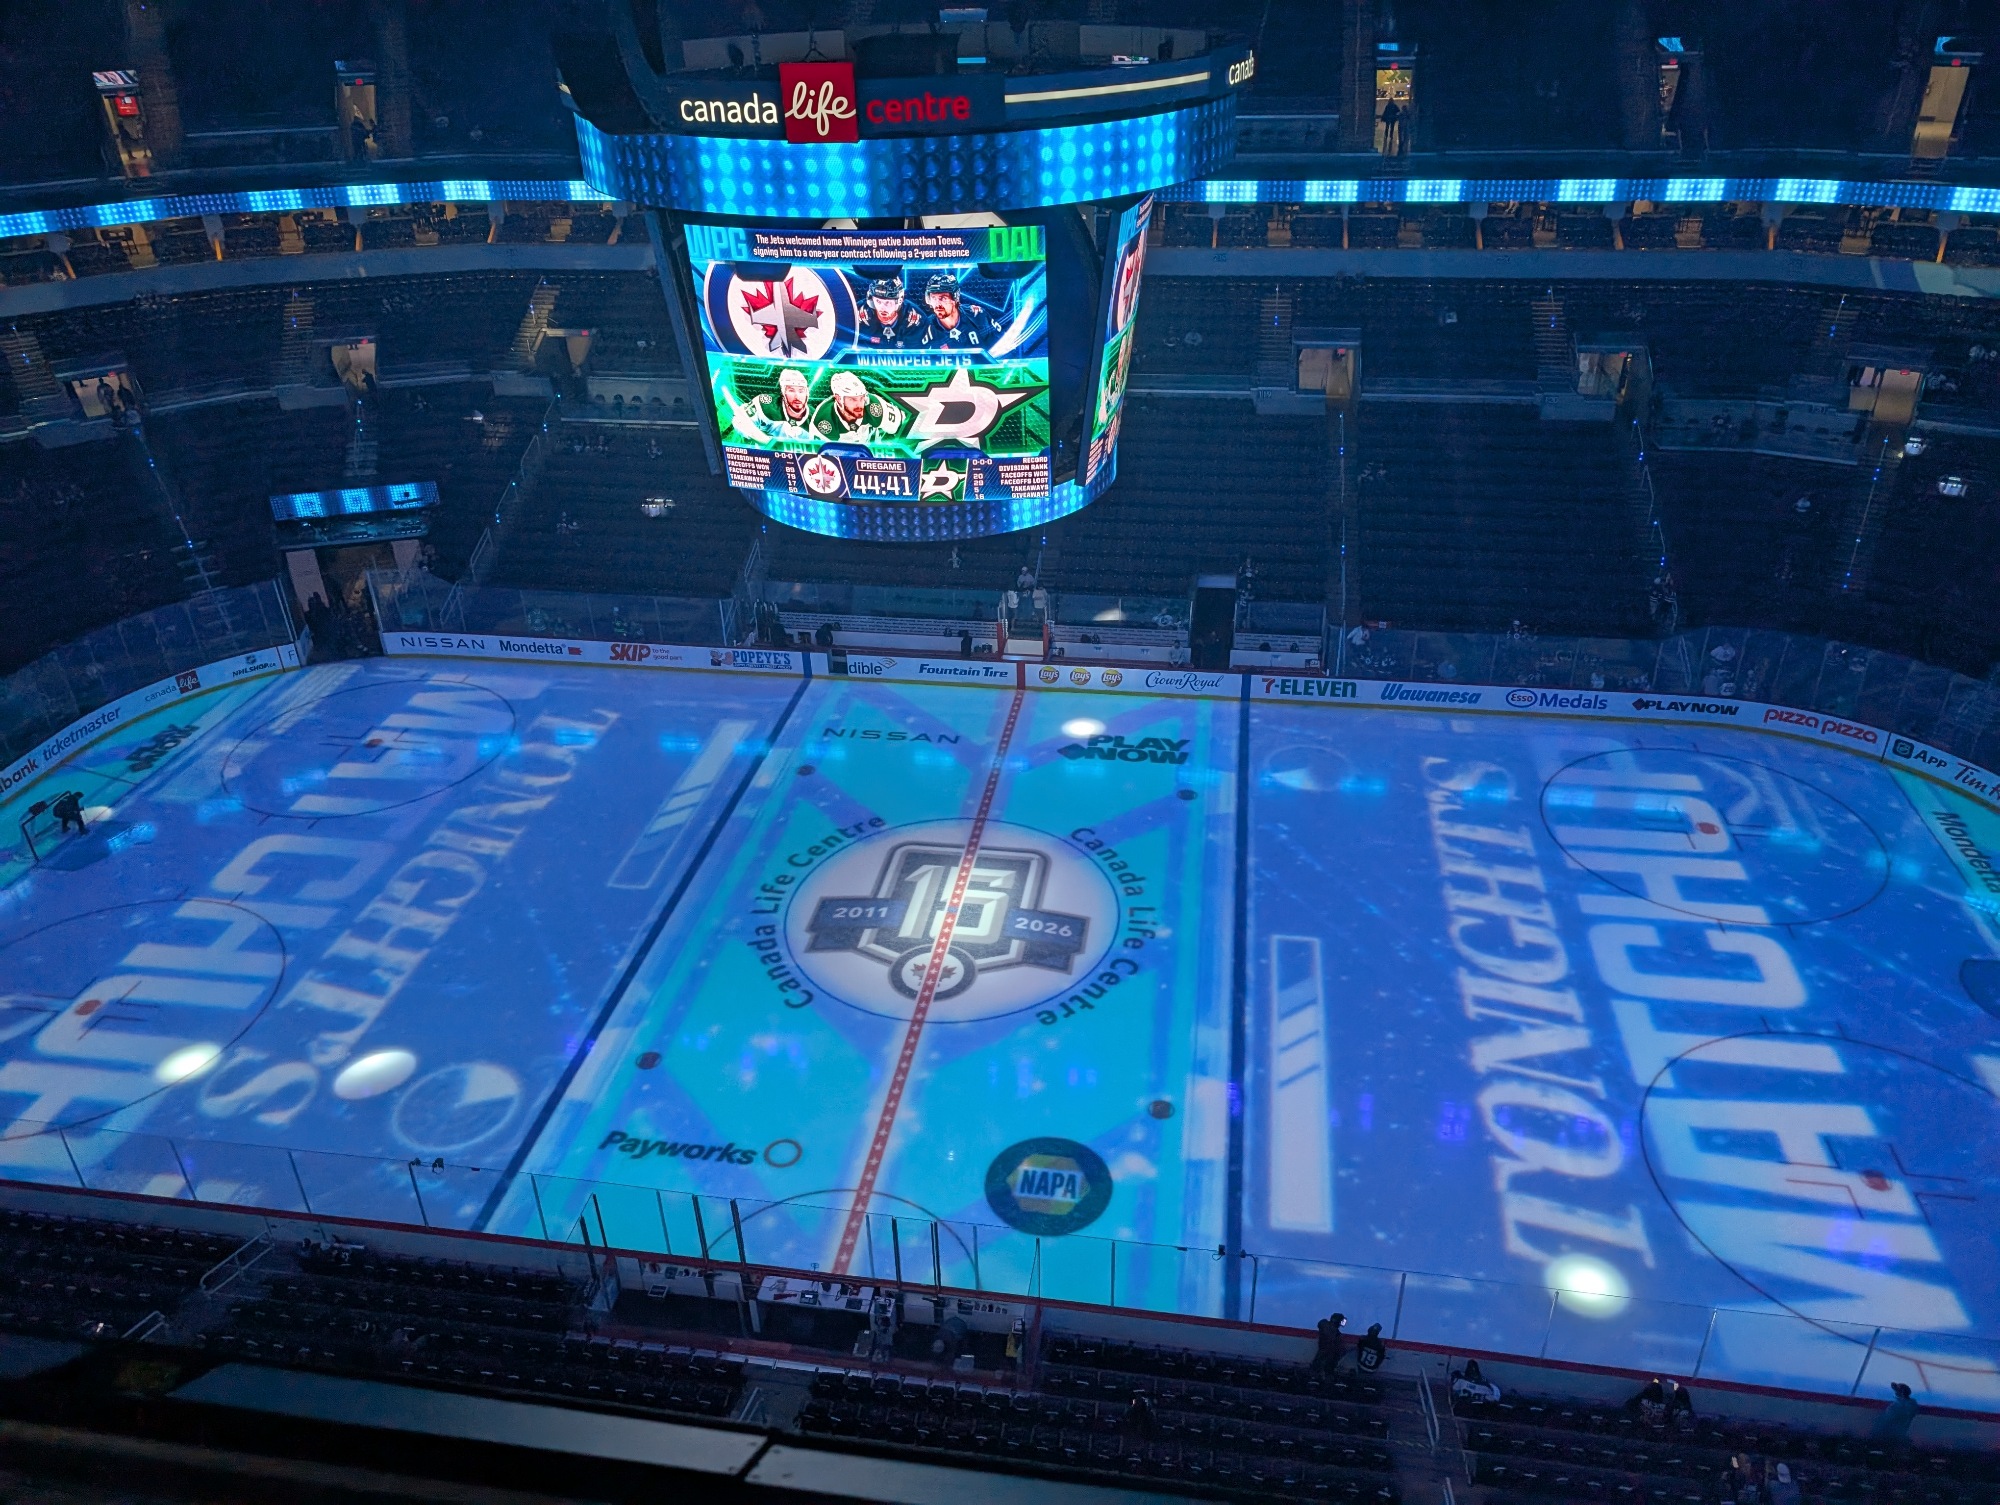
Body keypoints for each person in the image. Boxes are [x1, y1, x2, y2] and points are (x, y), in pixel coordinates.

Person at [920, 273, 1007, 353]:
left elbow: (1002, 347)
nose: (937, 304)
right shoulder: (925, 329)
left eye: (943, 298)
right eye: (934, 298)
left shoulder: (977, 316)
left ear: (955, 297)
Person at [812, 370, 904, 444]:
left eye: (861, 398)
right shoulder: (823, 420)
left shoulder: (874, 406)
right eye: (853, 399)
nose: (860, 404)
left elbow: (905, 427)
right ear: (839, 399)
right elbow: (822, 456)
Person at [856, 277, 931, 350]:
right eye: (878, 301)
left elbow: (920, 354)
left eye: (887, 302)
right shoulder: (857, 313)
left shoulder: (917, 321)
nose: (882, 307)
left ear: (899, 300)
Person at [1311, 1312, 1347, 1378]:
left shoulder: (1327, 1326)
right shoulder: (1335, 1334)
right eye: (1340, 1322)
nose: (1340, 1324)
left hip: (1323, 1357)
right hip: (1327, 1359)